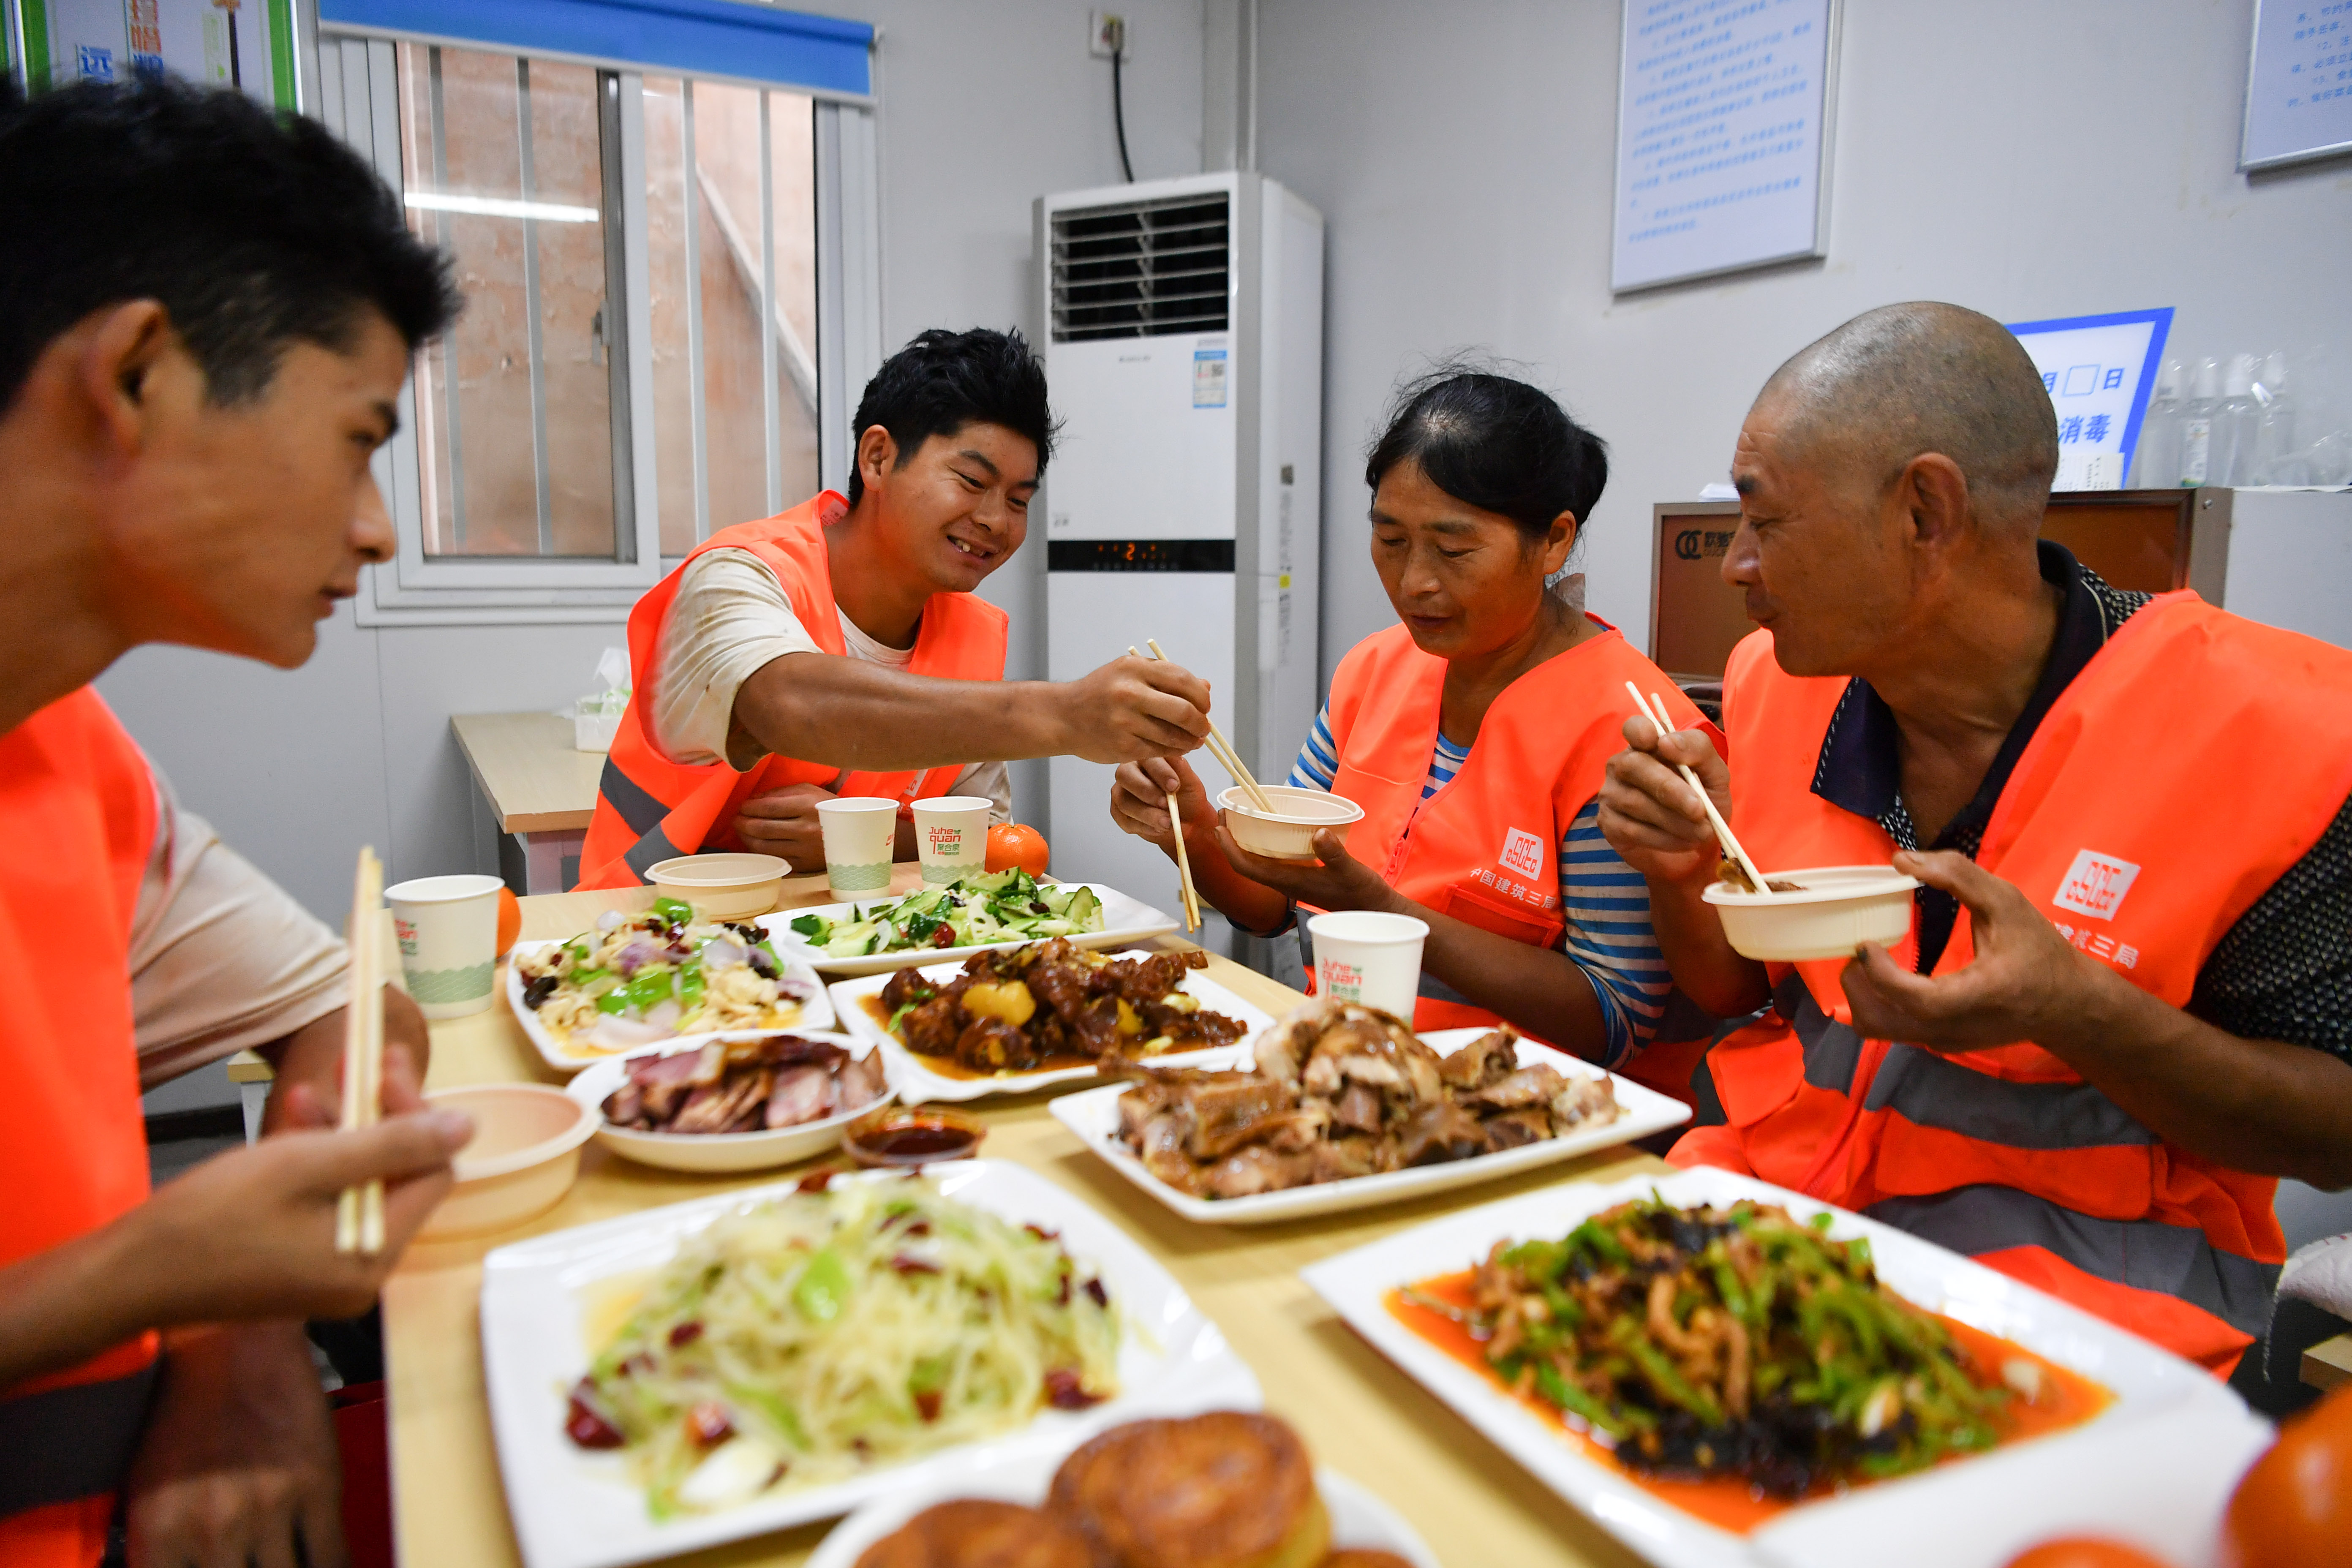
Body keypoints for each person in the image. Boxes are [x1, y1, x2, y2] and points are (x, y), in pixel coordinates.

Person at [1598, 302, 2352, 1374]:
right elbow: (1735, 994)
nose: (1736, 566)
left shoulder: (2274, 730)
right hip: (1769, 1237)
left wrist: (2078, 1011)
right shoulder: (1779, 687)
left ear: (1925, 509)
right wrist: (1683, 870)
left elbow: (2333, 1132)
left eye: (1767, 522)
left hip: (2082, 1320)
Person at [0, 77, 475, 1567]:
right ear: (137, 373)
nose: (378, 526)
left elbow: (350, 1009)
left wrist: (235, 1322)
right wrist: (159, 1266)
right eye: (359, 437)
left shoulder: (82, 762)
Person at [1111, 369, 1712, 1096]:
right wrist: (1194, 822)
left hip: (1519, 1112)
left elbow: (1615, 1018)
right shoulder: (1375, 670)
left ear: (1554, 542)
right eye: (1390, 539)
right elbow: (1273, 907)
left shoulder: (1633, 732)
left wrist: (1385, 911)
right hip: (1343, 1072)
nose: (1413, 581)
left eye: (1454, 551)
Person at [577, 328, 1212, 887]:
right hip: (644, 934)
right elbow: (786, 702)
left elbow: (987, 839)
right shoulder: (737, 574)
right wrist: (1069, 715)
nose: (995, 520)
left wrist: (851, 838)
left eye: (1019, 500)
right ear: (877, 457)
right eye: (971, 482)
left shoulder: (972, 636)